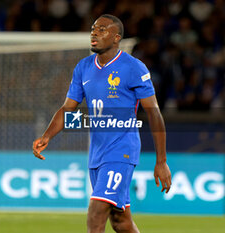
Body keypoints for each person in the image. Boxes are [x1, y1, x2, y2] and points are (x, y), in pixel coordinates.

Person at [32, 14, 172, 233]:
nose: (94, 33)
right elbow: (68, 108)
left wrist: (161, 161)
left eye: (102, 29)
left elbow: (154, 114)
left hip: (121, 150)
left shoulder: (133, 68)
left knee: (97, 210)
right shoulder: (83, 67)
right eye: (93, 28)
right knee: (120, 222)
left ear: (116, 38)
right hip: (97, 154)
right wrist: (47, 135)